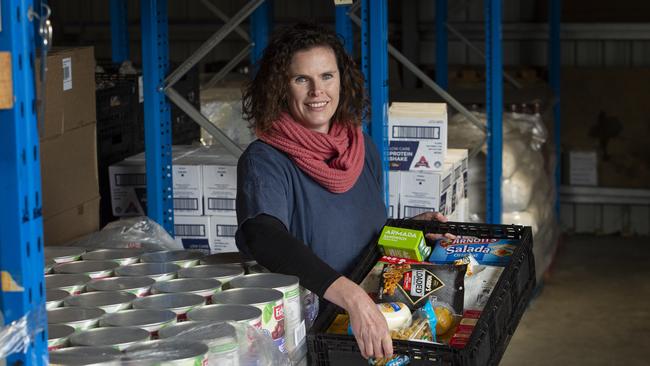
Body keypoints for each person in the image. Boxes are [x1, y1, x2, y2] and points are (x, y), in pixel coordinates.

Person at [236, 23, 450, 360]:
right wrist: (352, 297)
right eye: (301, 79)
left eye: (327, 76)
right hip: (314, 336)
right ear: (280, 87)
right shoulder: (265, 159)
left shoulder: (360, 145)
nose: (317, 92)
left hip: (374, 319)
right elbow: (263, 235)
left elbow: (355, 228)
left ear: (342, 80)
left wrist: (408, 228)